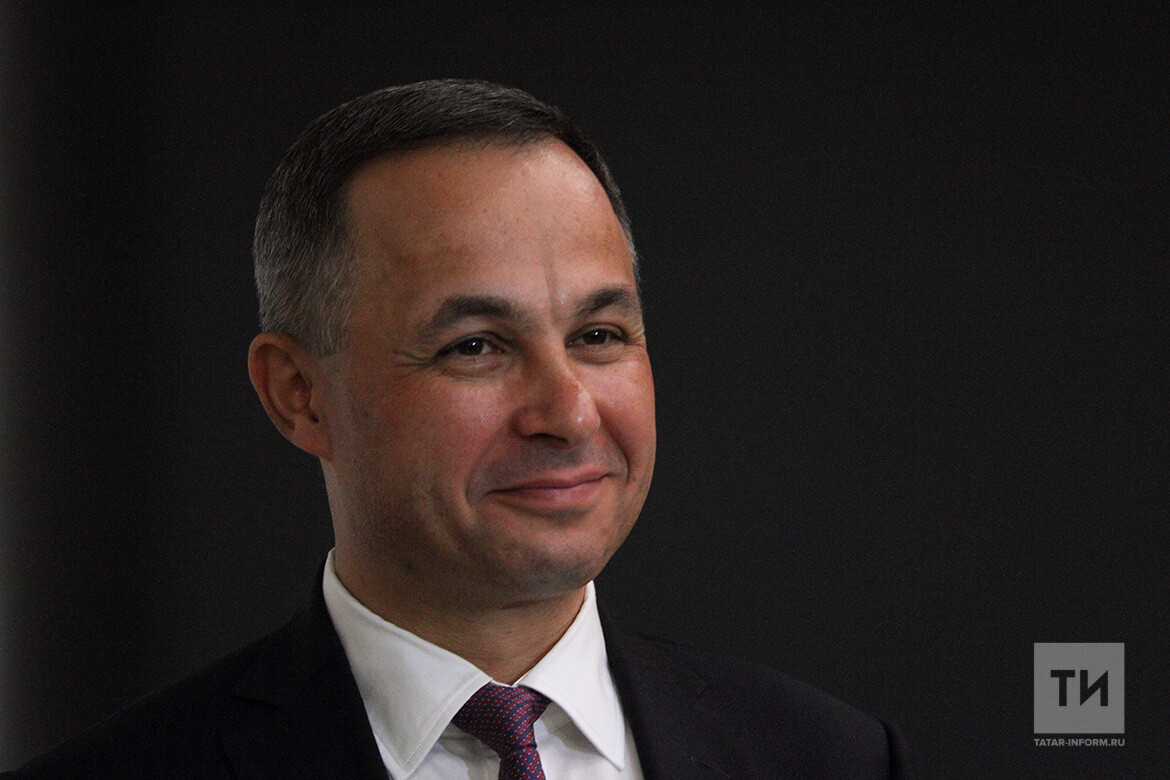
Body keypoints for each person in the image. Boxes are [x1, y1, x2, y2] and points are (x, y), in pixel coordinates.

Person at [4, 79, 911, 779]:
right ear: (298, 394)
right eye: (475, 346)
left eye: (599, 335)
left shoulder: (834, 760)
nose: (568, 413)